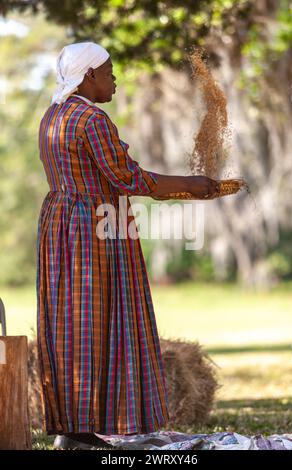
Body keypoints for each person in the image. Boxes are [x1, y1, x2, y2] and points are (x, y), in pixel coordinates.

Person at [36, 41, 219, 450]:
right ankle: (86, 430)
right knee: (101, 322)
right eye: (109, 71)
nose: (114, 79)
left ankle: (73, 429)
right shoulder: (91, 119)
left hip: (60, 224)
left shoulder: (54, 114)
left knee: (72, 323)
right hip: (95, 227)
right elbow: (130, 179)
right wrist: (190, 186)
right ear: (89, 76)